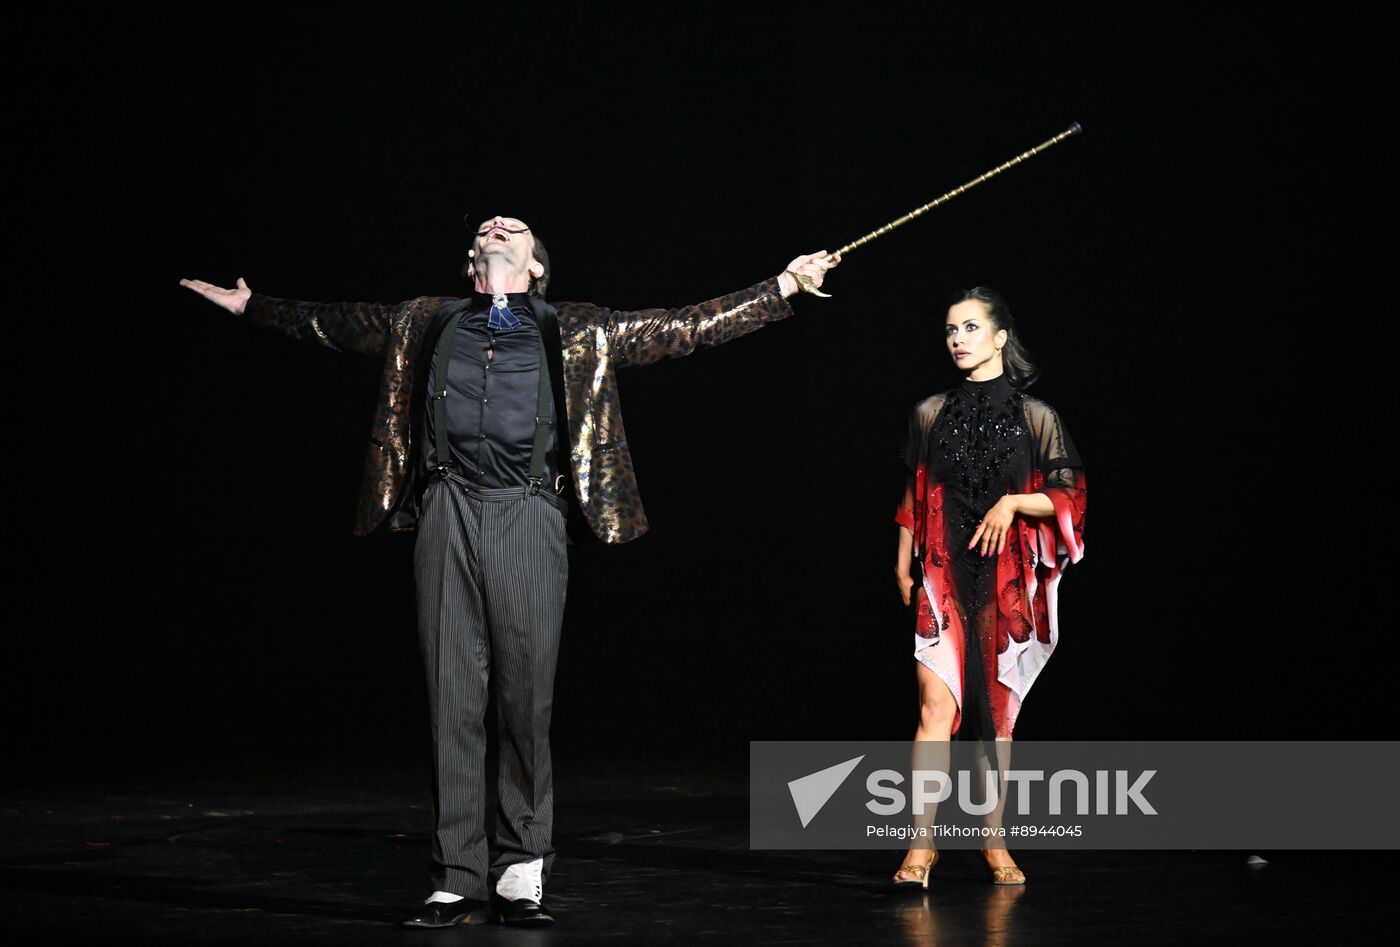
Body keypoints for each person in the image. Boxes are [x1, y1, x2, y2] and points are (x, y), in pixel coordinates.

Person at [180, 216, 838, 928]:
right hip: (446, 511)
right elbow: (331, 323)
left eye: (513, 226)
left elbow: (686, 328)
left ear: (536, 267)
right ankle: (455, 876)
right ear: (472, 264)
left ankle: (521, 868)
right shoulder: (425, 320)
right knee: (451, 699)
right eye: (488, 226)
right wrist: (253, 306)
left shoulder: (578, 328)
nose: (497, 224)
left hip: (529, 511)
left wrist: (782, 286)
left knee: (524, 699)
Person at [889, 287, 1085, 889]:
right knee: (934, 708)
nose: (957, 339)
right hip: (943, 572)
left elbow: (1069, 494)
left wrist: (1013, 503)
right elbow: (914, 492)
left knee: (996, 719)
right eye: (951, 330)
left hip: (1004, 579)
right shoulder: (929, 412)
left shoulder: (1037, 417)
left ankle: (993, 841)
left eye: (970, 328)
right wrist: (901, 563)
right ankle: (920, 847)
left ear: (1000, 337)